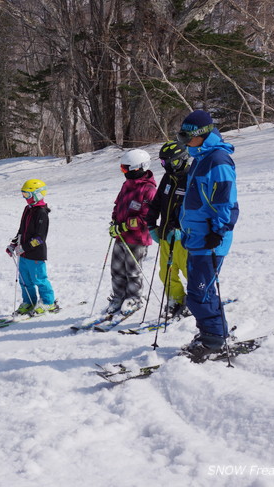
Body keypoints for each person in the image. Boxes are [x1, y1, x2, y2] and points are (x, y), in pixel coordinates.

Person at [177, 109, 239, 360]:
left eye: (185, 136)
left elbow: (225, 202)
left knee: (198, 294)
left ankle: (214, 341)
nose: (182, 141)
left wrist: (218, 230)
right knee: (202, 292)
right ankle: (212, 333)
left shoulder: (218, 160)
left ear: (201, 135)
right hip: (197, 237)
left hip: (210, 239)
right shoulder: (201, 158)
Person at [106, 149, 157, 315]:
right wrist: (114, 222)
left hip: (137, 239)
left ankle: (134, 298)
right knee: (117, 270)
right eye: (123, 169)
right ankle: (118, 296)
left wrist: (124, 226)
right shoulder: (127, 185)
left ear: (140, 168)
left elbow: (146, 218)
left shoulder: (148, 190)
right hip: (121, 237)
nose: (125, 173)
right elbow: (118, 205)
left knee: (133, 271)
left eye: (127, 169)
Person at [145, 141, 191, 319]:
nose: (165, 166)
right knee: (166, 273)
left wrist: (182, 228)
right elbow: (156, 203)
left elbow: (192, 209)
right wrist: (151, 226)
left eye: (168, 162)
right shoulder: (168, 178)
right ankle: (176, 300)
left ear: (180, 160)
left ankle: (197, 301)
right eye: (163, 163)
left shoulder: (191, 178)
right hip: (165, 236)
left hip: (184, 238)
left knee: (189, 272)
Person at [5, 179, 58, 316]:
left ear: (37, 194)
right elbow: (21, 230)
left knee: (39, 279)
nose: (25, 198)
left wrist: (24, 248)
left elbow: (39, 239)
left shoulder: (41, 213)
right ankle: (29, 302)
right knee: (25, 281)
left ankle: (48, 302)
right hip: (24, 254)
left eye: (27, 195)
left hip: (35, 254)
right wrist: (14, 244)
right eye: (23, 194)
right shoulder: (28, 210)